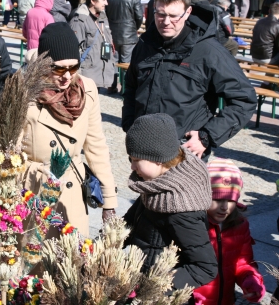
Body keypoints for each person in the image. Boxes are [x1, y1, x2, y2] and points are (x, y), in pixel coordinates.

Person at [122, 0, 257, 161]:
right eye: (160, 14)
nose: (166, 22)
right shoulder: (146, 44)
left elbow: (244, 99)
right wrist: (130, 124)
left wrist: (206, 136)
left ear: (188, 12)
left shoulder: (209, 51)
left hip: (184, 153)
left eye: (173, 15)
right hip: (144, 149)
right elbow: (131, 86)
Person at [22, 22, 118, 238]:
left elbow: (96, 146)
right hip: (33, 191)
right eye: (59, 68)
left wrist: (109, 201)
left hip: (71, 190)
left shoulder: (87, 89)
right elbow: (7, 151)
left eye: (73, 68)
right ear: (44, 64)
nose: (67, 76)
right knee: (34, 262)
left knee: (71, 262)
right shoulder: (23, 90)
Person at [123, 113, 218, 291]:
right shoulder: (156, 184)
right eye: (130, 159)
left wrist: (156, 288)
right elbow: (128, 223)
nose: (132, 167)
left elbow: (205, 267)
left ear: (158, 158)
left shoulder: (181, 208)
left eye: (136, 160)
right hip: (136, 279)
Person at [193, 159, 266, 305]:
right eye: (217, 199)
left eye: (230, 200)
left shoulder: (239, 225)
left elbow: (242, 261)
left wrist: (250, 279)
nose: (224, 207)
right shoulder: (192, 225)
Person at [70, 0, 115, 89]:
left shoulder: (103, 17)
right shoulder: (80, 20)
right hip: (87, 73)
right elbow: (73, 49)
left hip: (101, 71)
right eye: (103, 0)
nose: (106, 3)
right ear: (93, 1)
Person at [106, 0, 142, 93]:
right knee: (127, 62)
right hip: (129, 35)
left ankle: (112, 85)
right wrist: (134, 28)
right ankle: (125, 88)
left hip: (112, 33)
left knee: (113, 61)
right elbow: (139, 17)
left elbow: (106, 14)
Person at [251, 1, 279, 85]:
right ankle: (272, 83)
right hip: (266, 58)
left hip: (254, 56)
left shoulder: (259, 21)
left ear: (269, 11)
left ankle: (266, 82)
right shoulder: (277, 25)